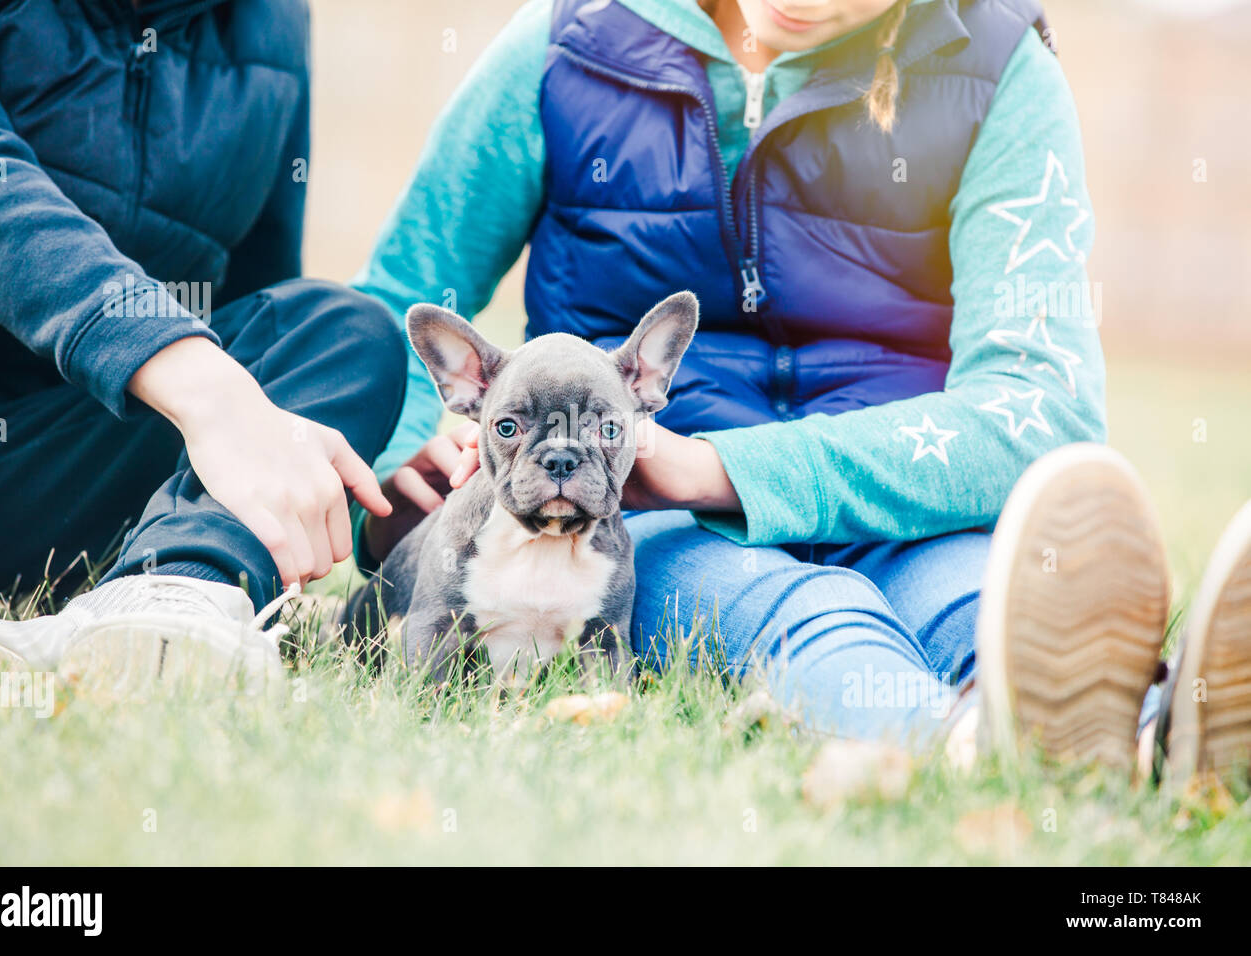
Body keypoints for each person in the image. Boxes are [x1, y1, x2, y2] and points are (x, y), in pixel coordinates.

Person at [349, 0, 1251, 782]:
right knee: (808, 616)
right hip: (648, 519)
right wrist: (393, 486)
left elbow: (1043, 405)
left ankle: (1148, 740)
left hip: (907, 494)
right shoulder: (570, 46)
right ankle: (965, 744)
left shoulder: (996, 66)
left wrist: (728, 468)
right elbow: (398, 299)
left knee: (979, 605)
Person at [0, 0, 404, 687]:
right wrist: (196, 380)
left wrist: (363, 459)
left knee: (344, 331)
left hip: (58, 473)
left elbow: (262, 302)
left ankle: (167, 596)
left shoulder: (274, 21)